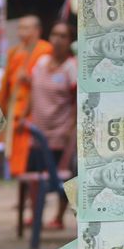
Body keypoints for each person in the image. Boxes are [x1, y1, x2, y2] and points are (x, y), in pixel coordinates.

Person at [26, 21, 78, 228]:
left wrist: (71, 128)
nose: (57, 39)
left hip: (61, 132)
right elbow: (31, 93)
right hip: (37, 132)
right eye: (54, 34)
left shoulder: (71, 67)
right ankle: (35, 214)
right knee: (34, 175)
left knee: (63, 178)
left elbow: (77, 102)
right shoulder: (40, 63)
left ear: (70, 41)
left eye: (63, 36)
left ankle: (58, 217)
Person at [0, 15, 53, 177]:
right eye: (20, 28)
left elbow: (46, 82)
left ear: (37, 30)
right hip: (15, 108)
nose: (22, 32)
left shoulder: (45, 50)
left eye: (26, 28)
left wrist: (29, 80)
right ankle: (22, 197)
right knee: (16, 157)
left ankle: (33, 196)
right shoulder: (14, 52)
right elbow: (7, 82)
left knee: (31, 155)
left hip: (34, 109)